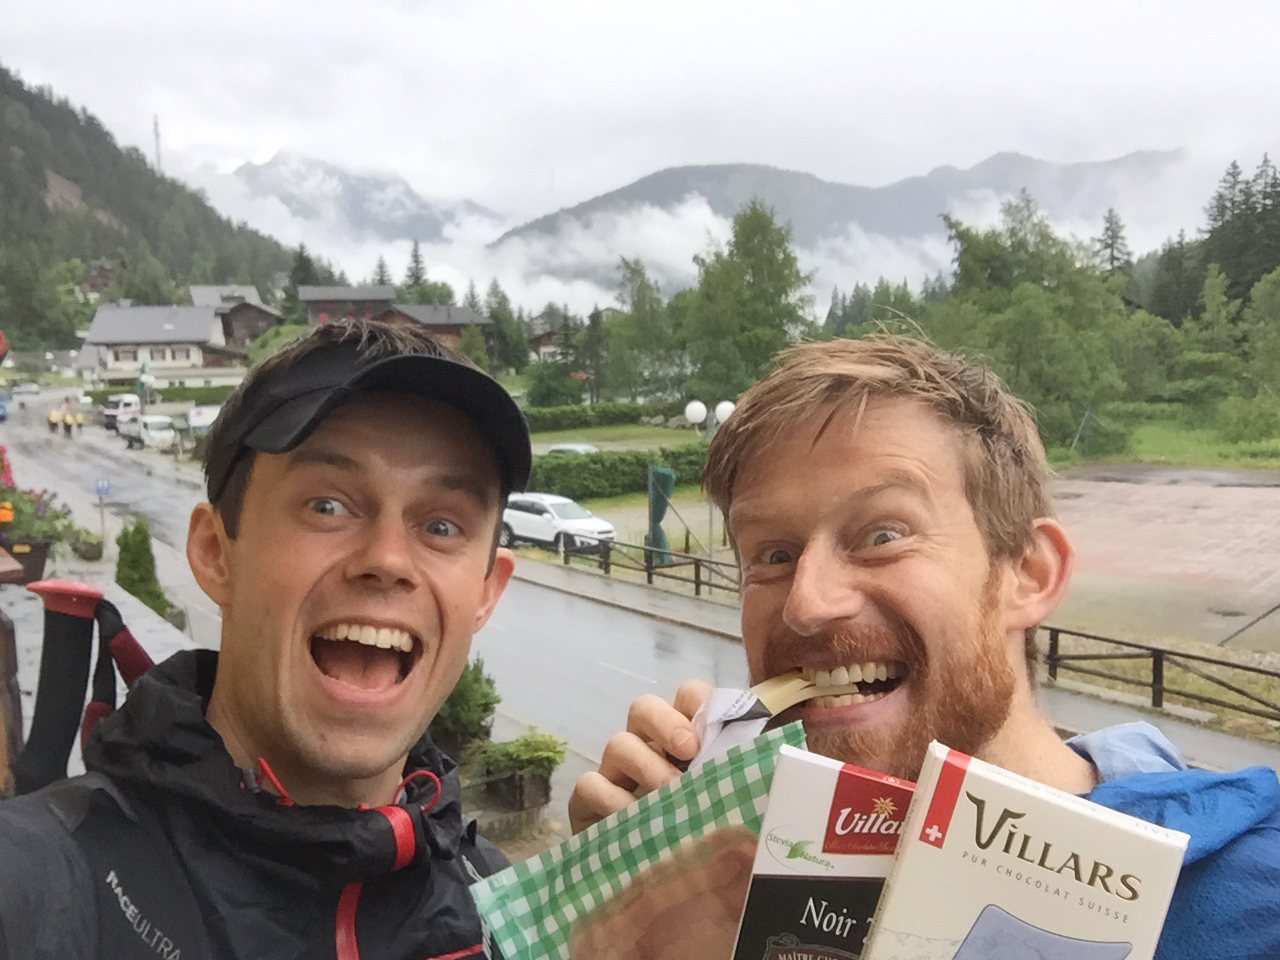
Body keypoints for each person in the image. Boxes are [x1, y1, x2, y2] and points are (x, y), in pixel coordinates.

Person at [568, 336, 1280, 960]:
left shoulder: (1252, 903)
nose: (807, 603)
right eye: (774, 554)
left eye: (883, 535)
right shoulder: (726, 882)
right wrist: (591, 906)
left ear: (1027, 575)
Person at [0, 316, 532, 958]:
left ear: (485, 591)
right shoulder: (37, 887)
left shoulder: (507, 915)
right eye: (327, 505)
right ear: (215, 552)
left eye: (443, 525)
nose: (388, 560)